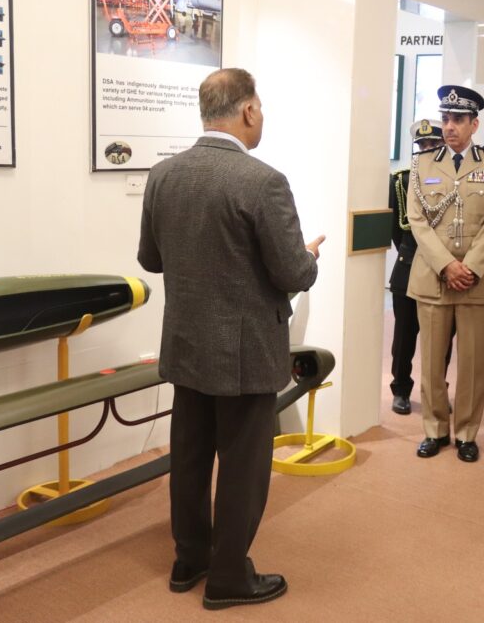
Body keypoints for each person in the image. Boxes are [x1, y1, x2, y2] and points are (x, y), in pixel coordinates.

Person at [137, 68, 324, 610]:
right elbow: (293, 273)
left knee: (190, 457)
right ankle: (228, 577)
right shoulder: (263, 181)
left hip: (186, 344)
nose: (261, 116)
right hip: (245, 353)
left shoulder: (163, 175)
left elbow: (150, 259)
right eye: (260, 108)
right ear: (247, 110)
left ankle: (189, 558)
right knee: (243, 465)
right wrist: (308, 257)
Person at [406, 84, 484, 463]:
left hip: (476, 280)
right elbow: (417, 220)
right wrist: (446, 265)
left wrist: (469, 267)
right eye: (446, 119)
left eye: (458, 120)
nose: (449, 126)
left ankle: (467, 432)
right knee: (432, 363)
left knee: (473, 364)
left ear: (474, 124)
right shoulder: (422, 164)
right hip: (433, 277)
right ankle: (435, 429)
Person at [387, 119, 453, 415]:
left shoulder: (456, 180)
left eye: (433, 144)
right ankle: (401, 389)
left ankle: (437, 390)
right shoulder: (401, 181)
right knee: (404, 336)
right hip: (409, 265)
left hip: (444, 271)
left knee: (443, 337)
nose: (427, 149)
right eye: (422, 145)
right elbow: (395, 229)